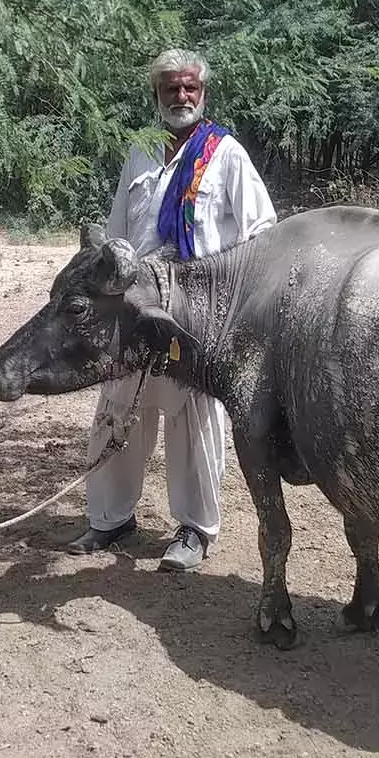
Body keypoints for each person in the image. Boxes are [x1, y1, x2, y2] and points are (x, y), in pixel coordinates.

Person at [68, 48, 278, 571]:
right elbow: (118, 233)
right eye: (170, 89)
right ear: (156, 95)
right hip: (135, 306)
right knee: (118, 405)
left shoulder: (224, 153)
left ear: (202, 93)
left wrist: (230, 302)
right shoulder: (140, 153)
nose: (181, 97)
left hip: (198, 312)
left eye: (189, 88)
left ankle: (194, 530)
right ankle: (111, 519)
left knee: (193, 418)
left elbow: (262, 233)